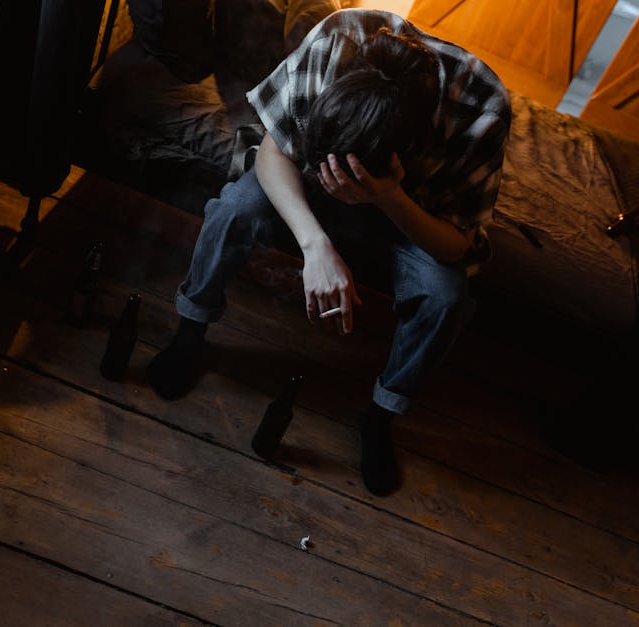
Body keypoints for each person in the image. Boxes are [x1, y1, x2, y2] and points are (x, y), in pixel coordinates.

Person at [146, 8, 510, 495]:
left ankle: (381, 414)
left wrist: (388, 196)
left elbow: (457, 244)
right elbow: (274, 150)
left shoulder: (484, 111)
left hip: (409, 209)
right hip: (309, 180)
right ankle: (190, 330)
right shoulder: (335, 42)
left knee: (445, 297)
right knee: (234, 208)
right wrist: (314, 245)